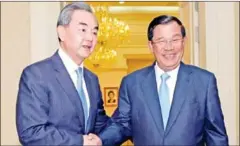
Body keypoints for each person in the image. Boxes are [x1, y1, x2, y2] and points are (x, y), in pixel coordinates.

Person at [99, 15, 229, 145]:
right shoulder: (132, 83)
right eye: (161, 41)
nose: (169, 47)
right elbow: (121, 125)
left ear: (183, 41)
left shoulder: (204, 81)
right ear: (151, 45)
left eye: (175, 39)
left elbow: (216, 136)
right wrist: (99, 141)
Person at [16, 2, 107, 145]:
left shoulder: (91, 79)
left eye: (94, 32)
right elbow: (31, 132)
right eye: (83, 30)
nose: (90, 38)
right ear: (61, 33)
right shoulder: (36, 75)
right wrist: (80, 142)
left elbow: (100, 126)